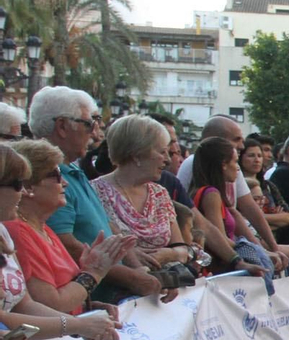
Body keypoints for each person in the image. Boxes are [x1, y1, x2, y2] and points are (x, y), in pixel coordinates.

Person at [31, 86, 169, 301]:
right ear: (62, 126)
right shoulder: (48, 178)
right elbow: (66, 244)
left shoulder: (74, 172)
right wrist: (133, 278)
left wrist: (138, 268)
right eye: (89, 124)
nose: (95, 133)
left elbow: (109, 227)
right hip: (84, 300)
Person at [0, 144, 120, 340]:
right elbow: (49, 302)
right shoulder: (17, 230)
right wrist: (77, 324)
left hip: (16, 334)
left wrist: (81, 323)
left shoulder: (7, 234)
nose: (21, 191)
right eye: (17, 184)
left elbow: (26, 305)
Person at [3, 139, 136, 319]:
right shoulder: (18, 231)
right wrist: (94, 272)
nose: (65, 182)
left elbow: (58, 303)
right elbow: (50, 304)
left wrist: (86, 309)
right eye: (56, 175)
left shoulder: (42, 228)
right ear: (28, 186)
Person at [90, 115, 190, 275]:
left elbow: (182, 249)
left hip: (166, 290)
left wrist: (170, 254)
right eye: (162, 152)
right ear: (136, 155)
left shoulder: (160, 194)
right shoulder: (95, 192)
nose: (167, 160)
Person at [189, 136, 276, 276]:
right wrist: (253, 250)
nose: (237, 168)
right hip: (220, 272)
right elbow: (219, 238)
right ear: (223, 164)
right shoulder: (211, 195)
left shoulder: (206, 192)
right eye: (235, 161)